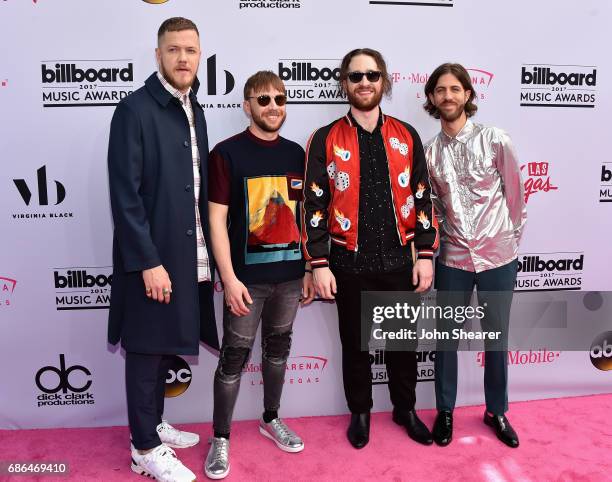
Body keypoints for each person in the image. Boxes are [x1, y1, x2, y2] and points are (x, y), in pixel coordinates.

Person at [302, 48, 439, 449]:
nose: (365, 82)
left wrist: (426, 255)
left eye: (372, 75)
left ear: (385, 82)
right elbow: (312, 203)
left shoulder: (407, 135)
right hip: (347, 261)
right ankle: (359, 412)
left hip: (399, 258)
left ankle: (405, 409)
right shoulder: (325, 137)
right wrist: (319, 263)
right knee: (356, 344)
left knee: (402, 344)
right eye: (356, 75)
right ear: (344, 82)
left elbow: (422, 197)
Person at [107, 17, 218, 481]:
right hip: (152, 258)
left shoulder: (195, 108)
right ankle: (144, 449)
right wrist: (147, 261)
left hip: (187, 252)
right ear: (157, 55)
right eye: (173, 50)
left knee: (162, 345)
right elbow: (125, 195)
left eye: (190, 50)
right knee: (146, 349)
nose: (183, 59)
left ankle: (151, 423)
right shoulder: (134, 110)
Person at [204, 71, 315, 479]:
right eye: (263, 99)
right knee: (233, 357)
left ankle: (271, 418)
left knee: (278, 350)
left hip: (288, 279)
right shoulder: (226, 153)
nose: (273, 107)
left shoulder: (295, 155)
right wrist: (229, 279)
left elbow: (304, 216)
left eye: (280, 99)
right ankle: (221, 438)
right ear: (247, 105)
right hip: (245, 282)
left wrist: (306, 268)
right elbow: (215, 222)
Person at [423, 62, 527, 448]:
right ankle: (445, 411)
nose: (447, 96)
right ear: (432, 98)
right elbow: (431, 210)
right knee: (446, 338)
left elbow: (516, 197)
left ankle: (496, 411)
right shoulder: (429, 154)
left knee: (496, 338)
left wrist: (508, 242)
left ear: (468, 94)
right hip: (452, 259)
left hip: (499, 256)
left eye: (455, 89)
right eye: (440, 90)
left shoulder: (496, 139)